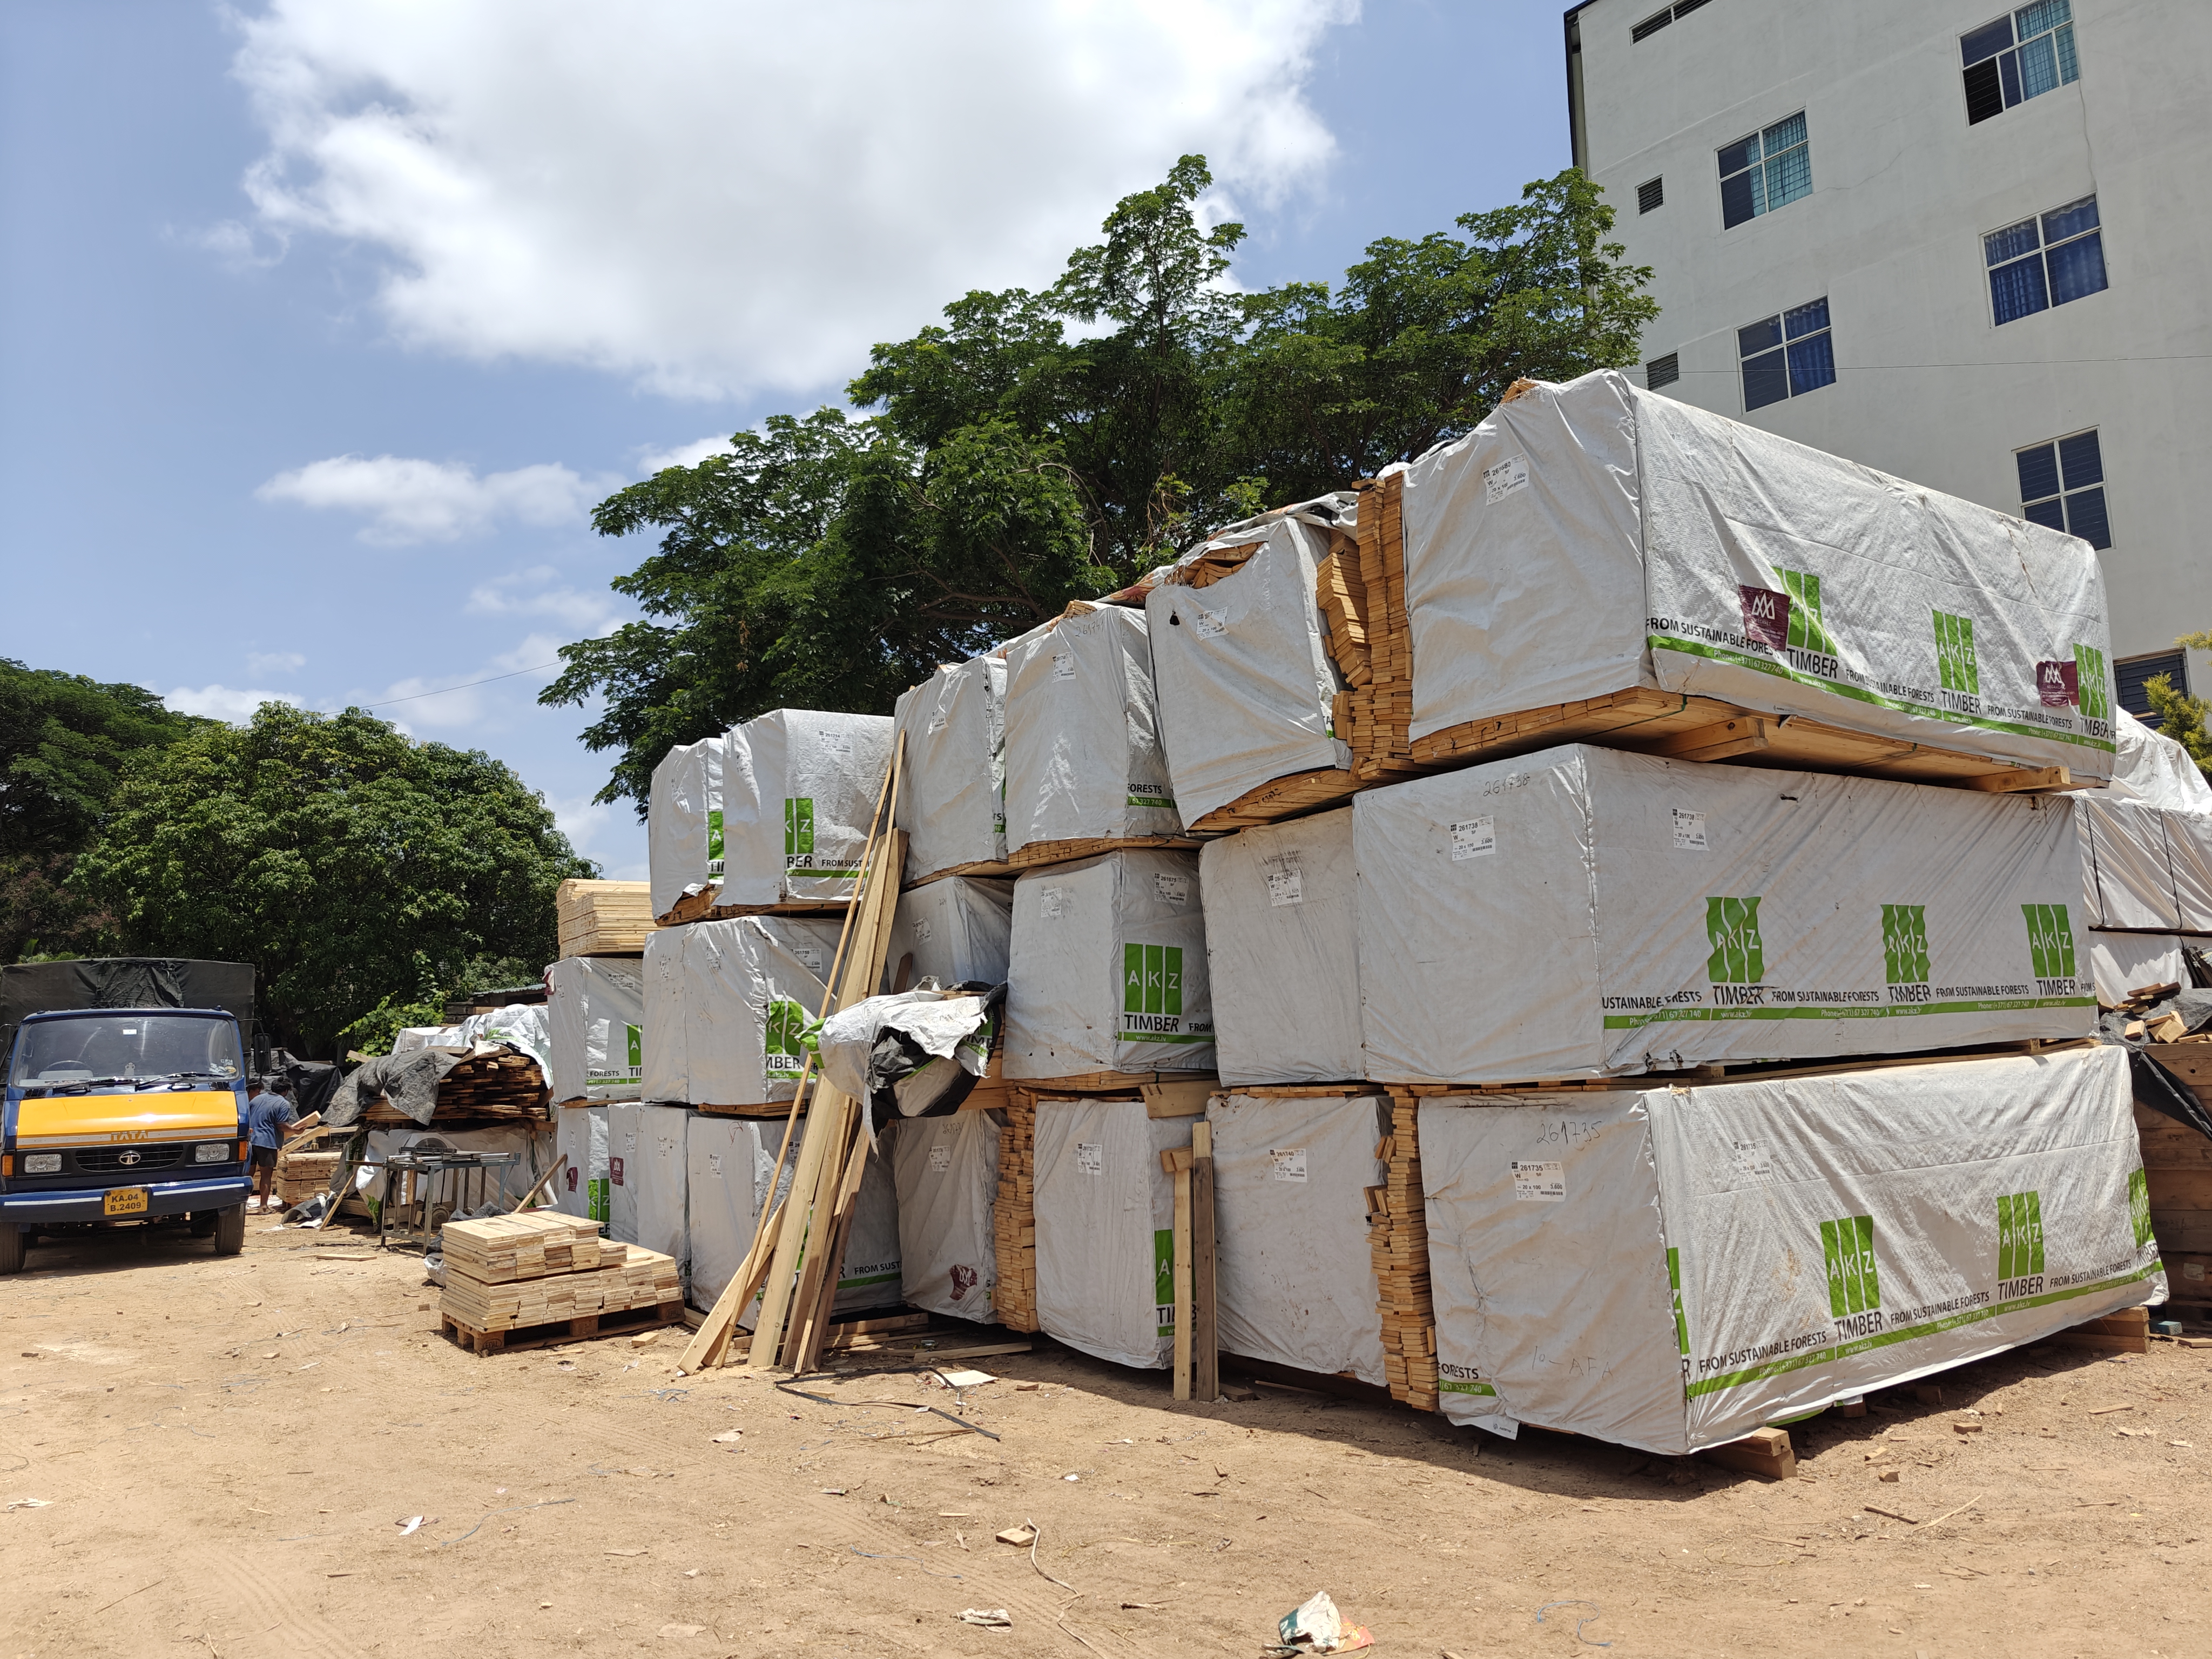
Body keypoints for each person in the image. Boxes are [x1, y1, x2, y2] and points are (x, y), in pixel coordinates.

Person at [245, 1077, 302, 1212]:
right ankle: (263, 1207)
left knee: (248, 1174)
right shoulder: (283, 1103)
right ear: (286, 1091)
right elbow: (282, 1125)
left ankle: (241, 1205)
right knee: (266, 1175)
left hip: (250, 1141)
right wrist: (295, 1130)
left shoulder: (256, 1099)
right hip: (267, 1143)